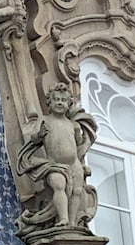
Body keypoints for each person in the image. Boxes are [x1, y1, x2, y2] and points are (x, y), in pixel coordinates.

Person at [16, 83, 97, 232]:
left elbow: (77, 143)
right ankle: (63, 218)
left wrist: (79, 135)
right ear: (50, 102)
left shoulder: (72, 124)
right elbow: (34, 139)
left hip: (74, 164)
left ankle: (72, 221)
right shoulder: (44, 120)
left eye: (63, 100)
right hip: (54, 165)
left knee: (77, 191)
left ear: (69, 104)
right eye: (56, 99)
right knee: (59, 186)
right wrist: (39, 134)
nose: (60, 102)